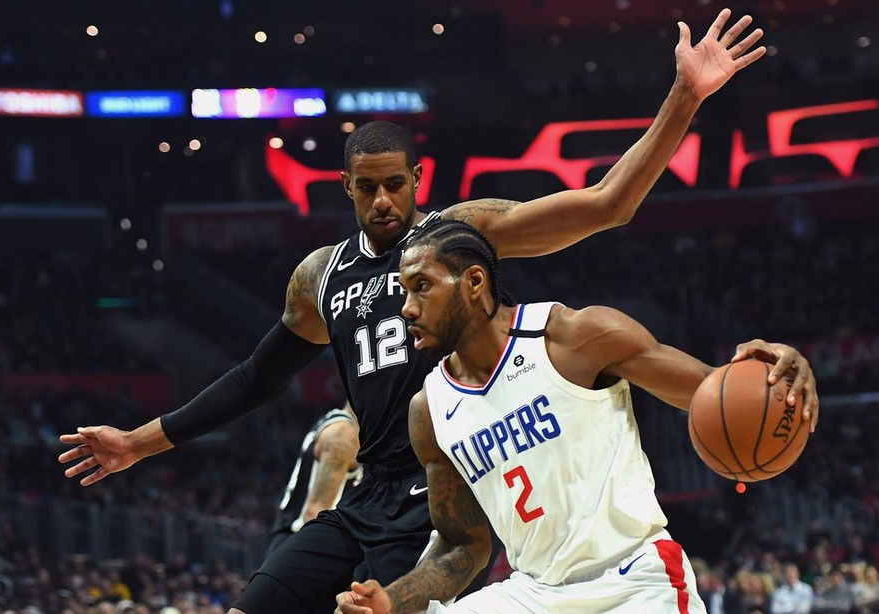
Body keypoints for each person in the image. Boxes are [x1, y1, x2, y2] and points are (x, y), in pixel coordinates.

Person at [59, 9, 771, 612]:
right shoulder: (319, 277)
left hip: (459, 484)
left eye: (395, 186)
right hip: (390, 480)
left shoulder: (462, 236)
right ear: (344, 187)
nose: (382, 203)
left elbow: (606, 205)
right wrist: (137, 443)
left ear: (417, 182)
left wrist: (682, 97)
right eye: (367, 189)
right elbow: (254, 378)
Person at [334, 218, 819, 613]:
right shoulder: (430, 410)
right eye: (403, 292)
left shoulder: (575, 337)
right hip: (533, 594)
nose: (407, 309)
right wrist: (391, 602)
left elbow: (712, 393)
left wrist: (778, 373)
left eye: (422, 287)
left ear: (474, 282)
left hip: (632, 582)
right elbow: (463, 545)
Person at [266, 404, 363, 556]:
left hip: (290, 540)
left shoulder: (338, 422)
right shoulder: (342, 435)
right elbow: (314, 512)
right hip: (300, 543)